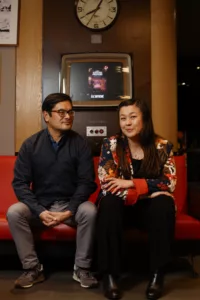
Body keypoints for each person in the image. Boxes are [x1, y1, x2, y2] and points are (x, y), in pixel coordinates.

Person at [7, 93, 98, 289]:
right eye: (61, 112)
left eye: (70, 112)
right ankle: (32, 269)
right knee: (14, 212)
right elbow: (20, 183)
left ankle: (82, 268)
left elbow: (87, 183)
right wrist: (39, 210)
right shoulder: (31, 145)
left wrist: (69, 210)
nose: (68, 116)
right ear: (46, 116)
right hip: (41, 206)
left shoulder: (80, 143)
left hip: (71, 206)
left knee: (90, 210)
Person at [96, 98, 177, 300]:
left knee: (164, 203)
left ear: (145, 119)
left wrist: (131, 183)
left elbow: (169, 182)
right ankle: (110, 276)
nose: (127, 123)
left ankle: (157, 275)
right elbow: (107, 182)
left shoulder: (162, 146)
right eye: (123, 118)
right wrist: (148, 189)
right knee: (108, 202)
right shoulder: (111, 144)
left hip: (148, 212)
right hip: (120, 209)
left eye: (133, 117)